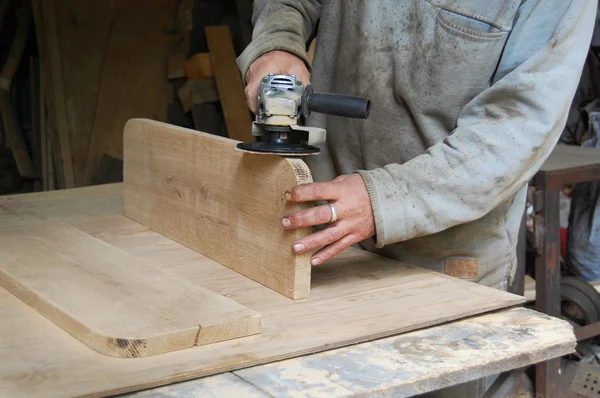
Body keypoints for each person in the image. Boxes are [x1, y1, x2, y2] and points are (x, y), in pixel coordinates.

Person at [237, 3, 595, 392]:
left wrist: (383, 199)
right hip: (327, 234)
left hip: (447, 258)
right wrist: (278, 42)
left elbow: (518, 128)